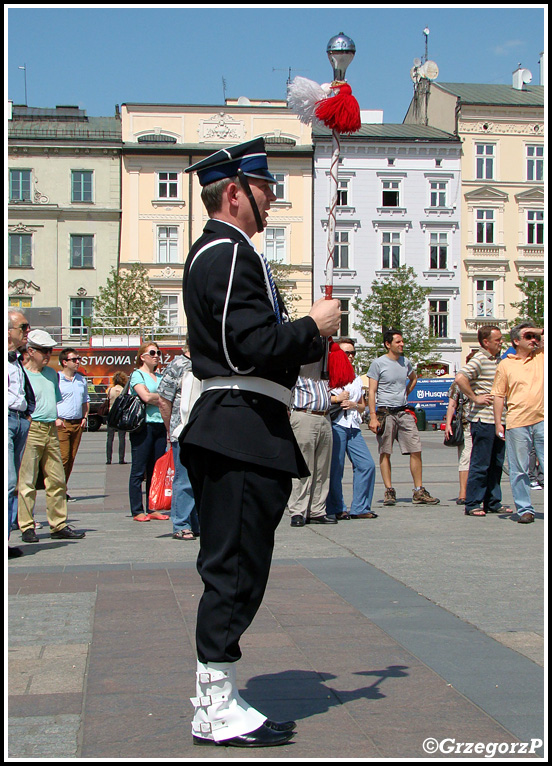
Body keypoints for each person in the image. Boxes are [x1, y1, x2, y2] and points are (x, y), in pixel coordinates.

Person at [180, 138, 341, 747]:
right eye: (264, 188)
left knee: (238, 565)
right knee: (235, 568)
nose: (272, 199)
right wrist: (310, 329)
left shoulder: (229, 254)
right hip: (238, 427)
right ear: (234, 193)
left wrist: (301, 335)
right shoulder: (227, 253)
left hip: (243, 425)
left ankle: (217, 692)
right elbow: (246, 345)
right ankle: (215, 703)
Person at [17, 330, 86, 543]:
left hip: (51, 428)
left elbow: (54, 400)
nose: (48, 354)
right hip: (32, 427)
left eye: (50, 350)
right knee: (27, 480)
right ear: (30, 351)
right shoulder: (21, 373)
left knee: (57, 479)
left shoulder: (51, 374)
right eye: (43, 350)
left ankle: (58, 524)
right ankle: (27, 526)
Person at [367, 330, 440, 507]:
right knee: (386, 451)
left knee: (415, 449)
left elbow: (413, 378)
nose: (401, 345)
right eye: (398, 342)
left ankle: (419, 490)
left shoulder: (405, 362)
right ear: (388, 344)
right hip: (386, 412)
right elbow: (372, 391)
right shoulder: (378, 364)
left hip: (403, 411)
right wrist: (373, 417)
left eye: (402, 342)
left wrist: (406, 393)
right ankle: (389, 490)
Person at [454, 325, 511, 518]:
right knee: (480, 463)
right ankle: (472, 502)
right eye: (498, 340)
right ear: (486, 342)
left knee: (496, 462)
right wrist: (475, 397)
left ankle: (493, 501)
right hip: (483, 419)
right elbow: (460, 378)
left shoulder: (498, 360)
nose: (501, 342)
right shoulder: (479, 358)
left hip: (499, 420)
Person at [491, 323, 544, 524]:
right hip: (517, 422)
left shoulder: (540, 356)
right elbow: (498, 395)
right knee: (519, 468)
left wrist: (538, 332)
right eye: (528, 336)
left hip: (542, 419)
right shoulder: (506, 364)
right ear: (516, 341)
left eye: (535, 336)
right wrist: (498, 423)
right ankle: (524, 509)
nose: (533, 340)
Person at [326, 338, 377, 520]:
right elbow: (321, 398)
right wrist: (338, 399)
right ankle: (336, 507)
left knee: (367, 465)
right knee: (335, 469)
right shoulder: (329, 374)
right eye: (346, 352)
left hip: (354, 425)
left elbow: (363, 405)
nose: (350, 356)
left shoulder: (356, 378)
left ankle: (360, 507)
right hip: (337, 424)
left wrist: (355, 405)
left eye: (352, 352)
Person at [158, 347, 199, 540]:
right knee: (184, 480)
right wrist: (171, 429)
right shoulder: (177, 365)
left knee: (200, 480)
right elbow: (164, 400)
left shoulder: (207, 362)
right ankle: (181, 524)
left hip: (203, 431)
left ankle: (196, 522)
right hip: (181, 430)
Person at [287, 363, 333, 527]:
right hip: (305, 413)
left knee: (322, 468)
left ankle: (317, 510)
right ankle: (298, 511)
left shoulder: (326, 363)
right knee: (304, 466)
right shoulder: (298, 362)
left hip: (325, 416)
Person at [128, 342, 168, 522]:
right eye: (152, 352)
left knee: (156, 470)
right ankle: (137, 510)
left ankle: (153, 507)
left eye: (158, 352)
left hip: (160, 425)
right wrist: (160, 399)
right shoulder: (137, 375)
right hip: (143, 425)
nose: (156, 356)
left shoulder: (160, 376)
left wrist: (156, 399)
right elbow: (144, 397)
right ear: (142, 356)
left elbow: (167, 397)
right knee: (139, 469)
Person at [8, 310, 35, 558]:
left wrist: (27, 413)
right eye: (23, 327)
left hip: (19, 419)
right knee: (7, 483)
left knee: (13, 481)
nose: (27, 332)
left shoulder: (16, 360)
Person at [56, 347, 90, 501]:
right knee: (63, 458)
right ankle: (58, 490)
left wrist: (85, 417)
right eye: (74, 359)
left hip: (78, 423)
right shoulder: (57, 379)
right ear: (64, 362)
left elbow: (85, 400)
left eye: (79, 359)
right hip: (62, 423)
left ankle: (63, 488)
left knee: (71, 458)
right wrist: (55, 418)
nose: (78, 362)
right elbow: (51, 399)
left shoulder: (80, 379)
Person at [444, 350, 476, 504]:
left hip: (482, 423)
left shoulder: (487, 382)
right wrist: (448, 424)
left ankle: (475, 492)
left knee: (475, 459)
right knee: (465, 458)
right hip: (467, 424)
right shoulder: (459, 383)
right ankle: (463, 493)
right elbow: (452, 405)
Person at [105, 371, 129, 464]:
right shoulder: (124, 390)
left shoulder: (111, 390)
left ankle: (108, 459)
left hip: (111, 415)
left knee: (109, 438)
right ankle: (121, 459)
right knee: (122, 438)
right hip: (121, 416)